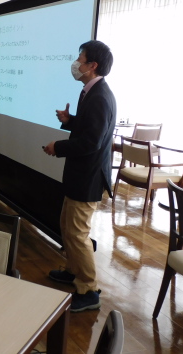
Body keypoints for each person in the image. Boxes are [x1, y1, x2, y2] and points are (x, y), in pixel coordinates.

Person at [43, 40, 116, 313]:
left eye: (80, 59)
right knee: (68, 227)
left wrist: (58, 147)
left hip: (88, 177)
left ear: (92, 65)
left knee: (77, 234)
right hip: (80, 174)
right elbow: (88, 130)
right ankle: (74, 271)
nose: (76, 64)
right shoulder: (90, 92)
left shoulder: (100, 97)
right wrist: (70, 121)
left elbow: (91, 143)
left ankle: (89, 289)